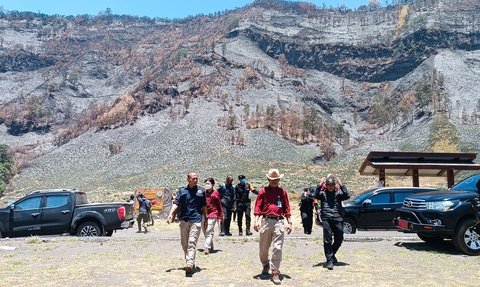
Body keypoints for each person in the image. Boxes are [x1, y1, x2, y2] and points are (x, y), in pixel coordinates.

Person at [253, 168, 292, 285]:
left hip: (279, 222)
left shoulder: (282, 192)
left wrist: (289, 222)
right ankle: (265, 264)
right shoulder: (262, 192)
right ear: (268, 179)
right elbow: (258, 207)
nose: (274, 181)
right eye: (272, 179)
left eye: (276, 179)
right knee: (263, 248)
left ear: (279, 179)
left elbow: (287, 208)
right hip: (266, 221)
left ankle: (275, 272)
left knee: (278, 247)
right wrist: (256, 221)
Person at [167, 172, 208, 276]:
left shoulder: (201, 191)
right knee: (184, 244)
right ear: (188, 179)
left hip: (196, 220)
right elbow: (176, 203)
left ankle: (189, 263)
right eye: (193, 178)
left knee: (192, 242)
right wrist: (171, 214)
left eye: (196, 178)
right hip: (184, 220)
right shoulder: (182, 191)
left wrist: (206, 218)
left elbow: (204, 206)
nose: (195, 180)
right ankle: (189, 260)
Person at [313, 175, 350, 270]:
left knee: (339, 238)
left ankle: (332, 254)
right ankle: (329, 260)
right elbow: (315, 195)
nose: (330, 186)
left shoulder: (338, 193)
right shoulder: (322, 193)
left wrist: (342, 185)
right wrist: (319, 185)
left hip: (338, 218)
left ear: (334, 185)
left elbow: (347, 196)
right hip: (327, 218)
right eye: (328, 185)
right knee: (327, 240)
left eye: (332, 185)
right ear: (326, 185)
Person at [202, 177, 224, 254]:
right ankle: (210, 246)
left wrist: (221, 214)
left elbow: (219, 205)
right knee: (205, 230)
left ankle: (206, 247)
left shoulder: (215, 193)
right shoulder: (203, 193)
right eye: (206, 184)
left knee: (209, 230)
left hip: (213, 214)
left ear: (212, 185)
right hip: (204, 214)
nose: (207, 185)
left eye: (208, 183)